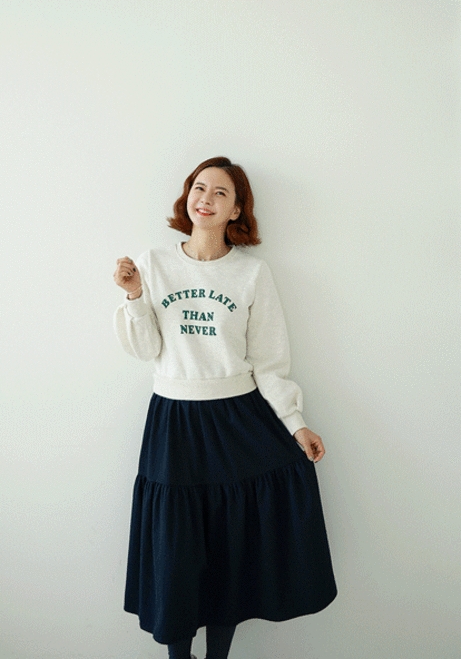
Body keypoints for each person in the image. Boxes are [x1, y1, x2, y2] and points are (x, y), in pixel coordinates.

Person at [113, 156, 337, 659]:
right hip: (174, 421)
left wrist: (296, 424)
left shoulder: (252, 273)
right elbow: (146, 350)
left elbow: (270, 362)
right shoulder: (154, 264)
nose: (206, 199)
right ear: (187, 196)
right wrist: (134, 296)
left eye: (220, 193)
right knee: (176, 547)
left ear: (237, 209)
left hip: (237, 419)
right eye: (200, 188)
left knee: (229, 544)